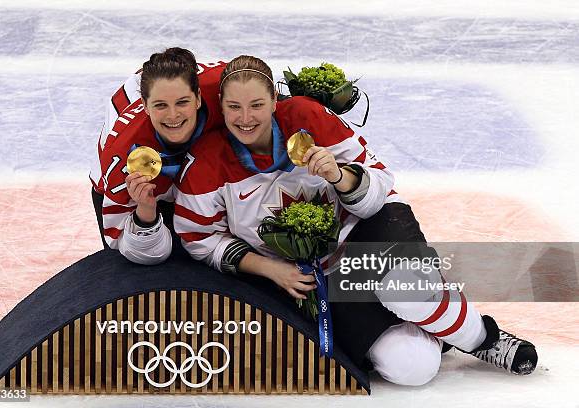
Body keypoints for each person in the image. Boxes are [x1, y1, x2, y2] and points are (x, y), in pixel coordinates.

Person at [173, 55, 538, 385]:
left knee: (403, 289)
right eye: (234, 107)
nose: (246, 117)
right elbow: (200, 239)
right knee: (414, 368)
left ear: (274, 102)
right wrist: (271, 269)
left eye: (257, 104)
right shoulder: (206, 163)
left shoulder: (307, 118)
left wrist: (338, 175)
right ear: (221, 107)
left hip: (366, 232)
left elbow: (379, 182)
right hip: (314, 276)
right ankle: (438, 322)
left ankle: (484, 339)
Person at [97, 47, 226, 263]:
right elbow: (130, 246)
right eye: (160, 105)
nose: (173, 115)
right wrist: (145, 209)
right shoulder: (122, 158)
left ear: (199, 98)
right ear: (145, 106)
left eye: (182, 102)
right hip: (125, 189)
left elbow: (276, 104)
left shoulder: (225, 89)